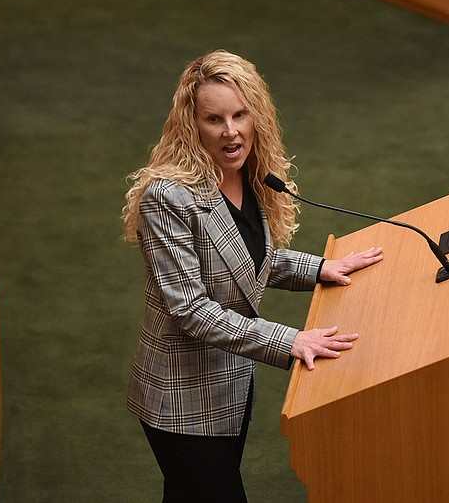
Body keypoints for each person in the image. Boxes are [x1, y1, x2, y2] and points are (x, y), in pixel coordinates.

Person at [121, 50, 383, 502]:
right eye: (214, 119)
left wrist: (321, 268)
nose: (230, 131)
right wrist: (292, 341)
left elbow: (246, 262)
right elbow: (193, 310)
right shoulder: (167, 198)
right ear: (192, 125)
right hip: (182, 400)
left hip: (230, 387)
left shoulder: (249, 175)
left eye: (240, 114)